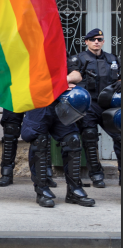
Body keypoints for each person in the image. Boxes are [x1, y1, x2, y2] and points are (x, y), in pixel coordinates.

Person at [20, 62, 96, 208]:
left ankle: (74, 191)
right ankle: (41, 190)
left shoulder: (58, 49)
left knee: (72, 140)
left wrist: (62, 81)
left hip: (61, 104)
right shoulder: (30, 50)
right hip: (39, 103)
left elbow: (77, 75)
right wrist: (59, 83)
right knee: (39, 142)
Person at [75, 28, 121, 187]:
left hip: (110, 105)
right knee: (89, 137)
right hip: (89, 104)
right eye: (93, 39)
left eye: (99, 39)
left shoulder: (112, 59)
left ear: (103, 41)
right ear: (86, 41)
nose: (96, 42)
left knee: (120, 137)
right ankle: (96, 175)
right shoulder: (79, 59)